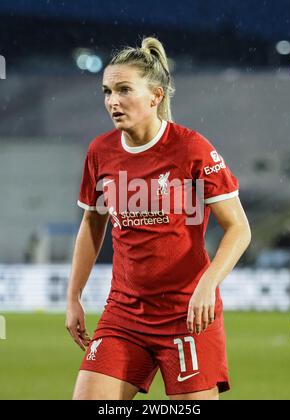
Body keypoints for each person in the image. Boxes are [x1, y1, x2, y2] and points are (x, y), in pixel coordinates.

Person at [65, 36, 251, 400]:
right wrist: (73, 297)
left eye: (123, 90)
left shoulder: (191, 148)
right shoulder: (100, 152)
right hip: (124, 315)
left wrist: (207, 285)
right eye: (107, 91)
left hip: (187, 314)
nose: (112, 101)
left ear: (156, 96)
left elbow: (239, 228)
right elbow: (92, 224)